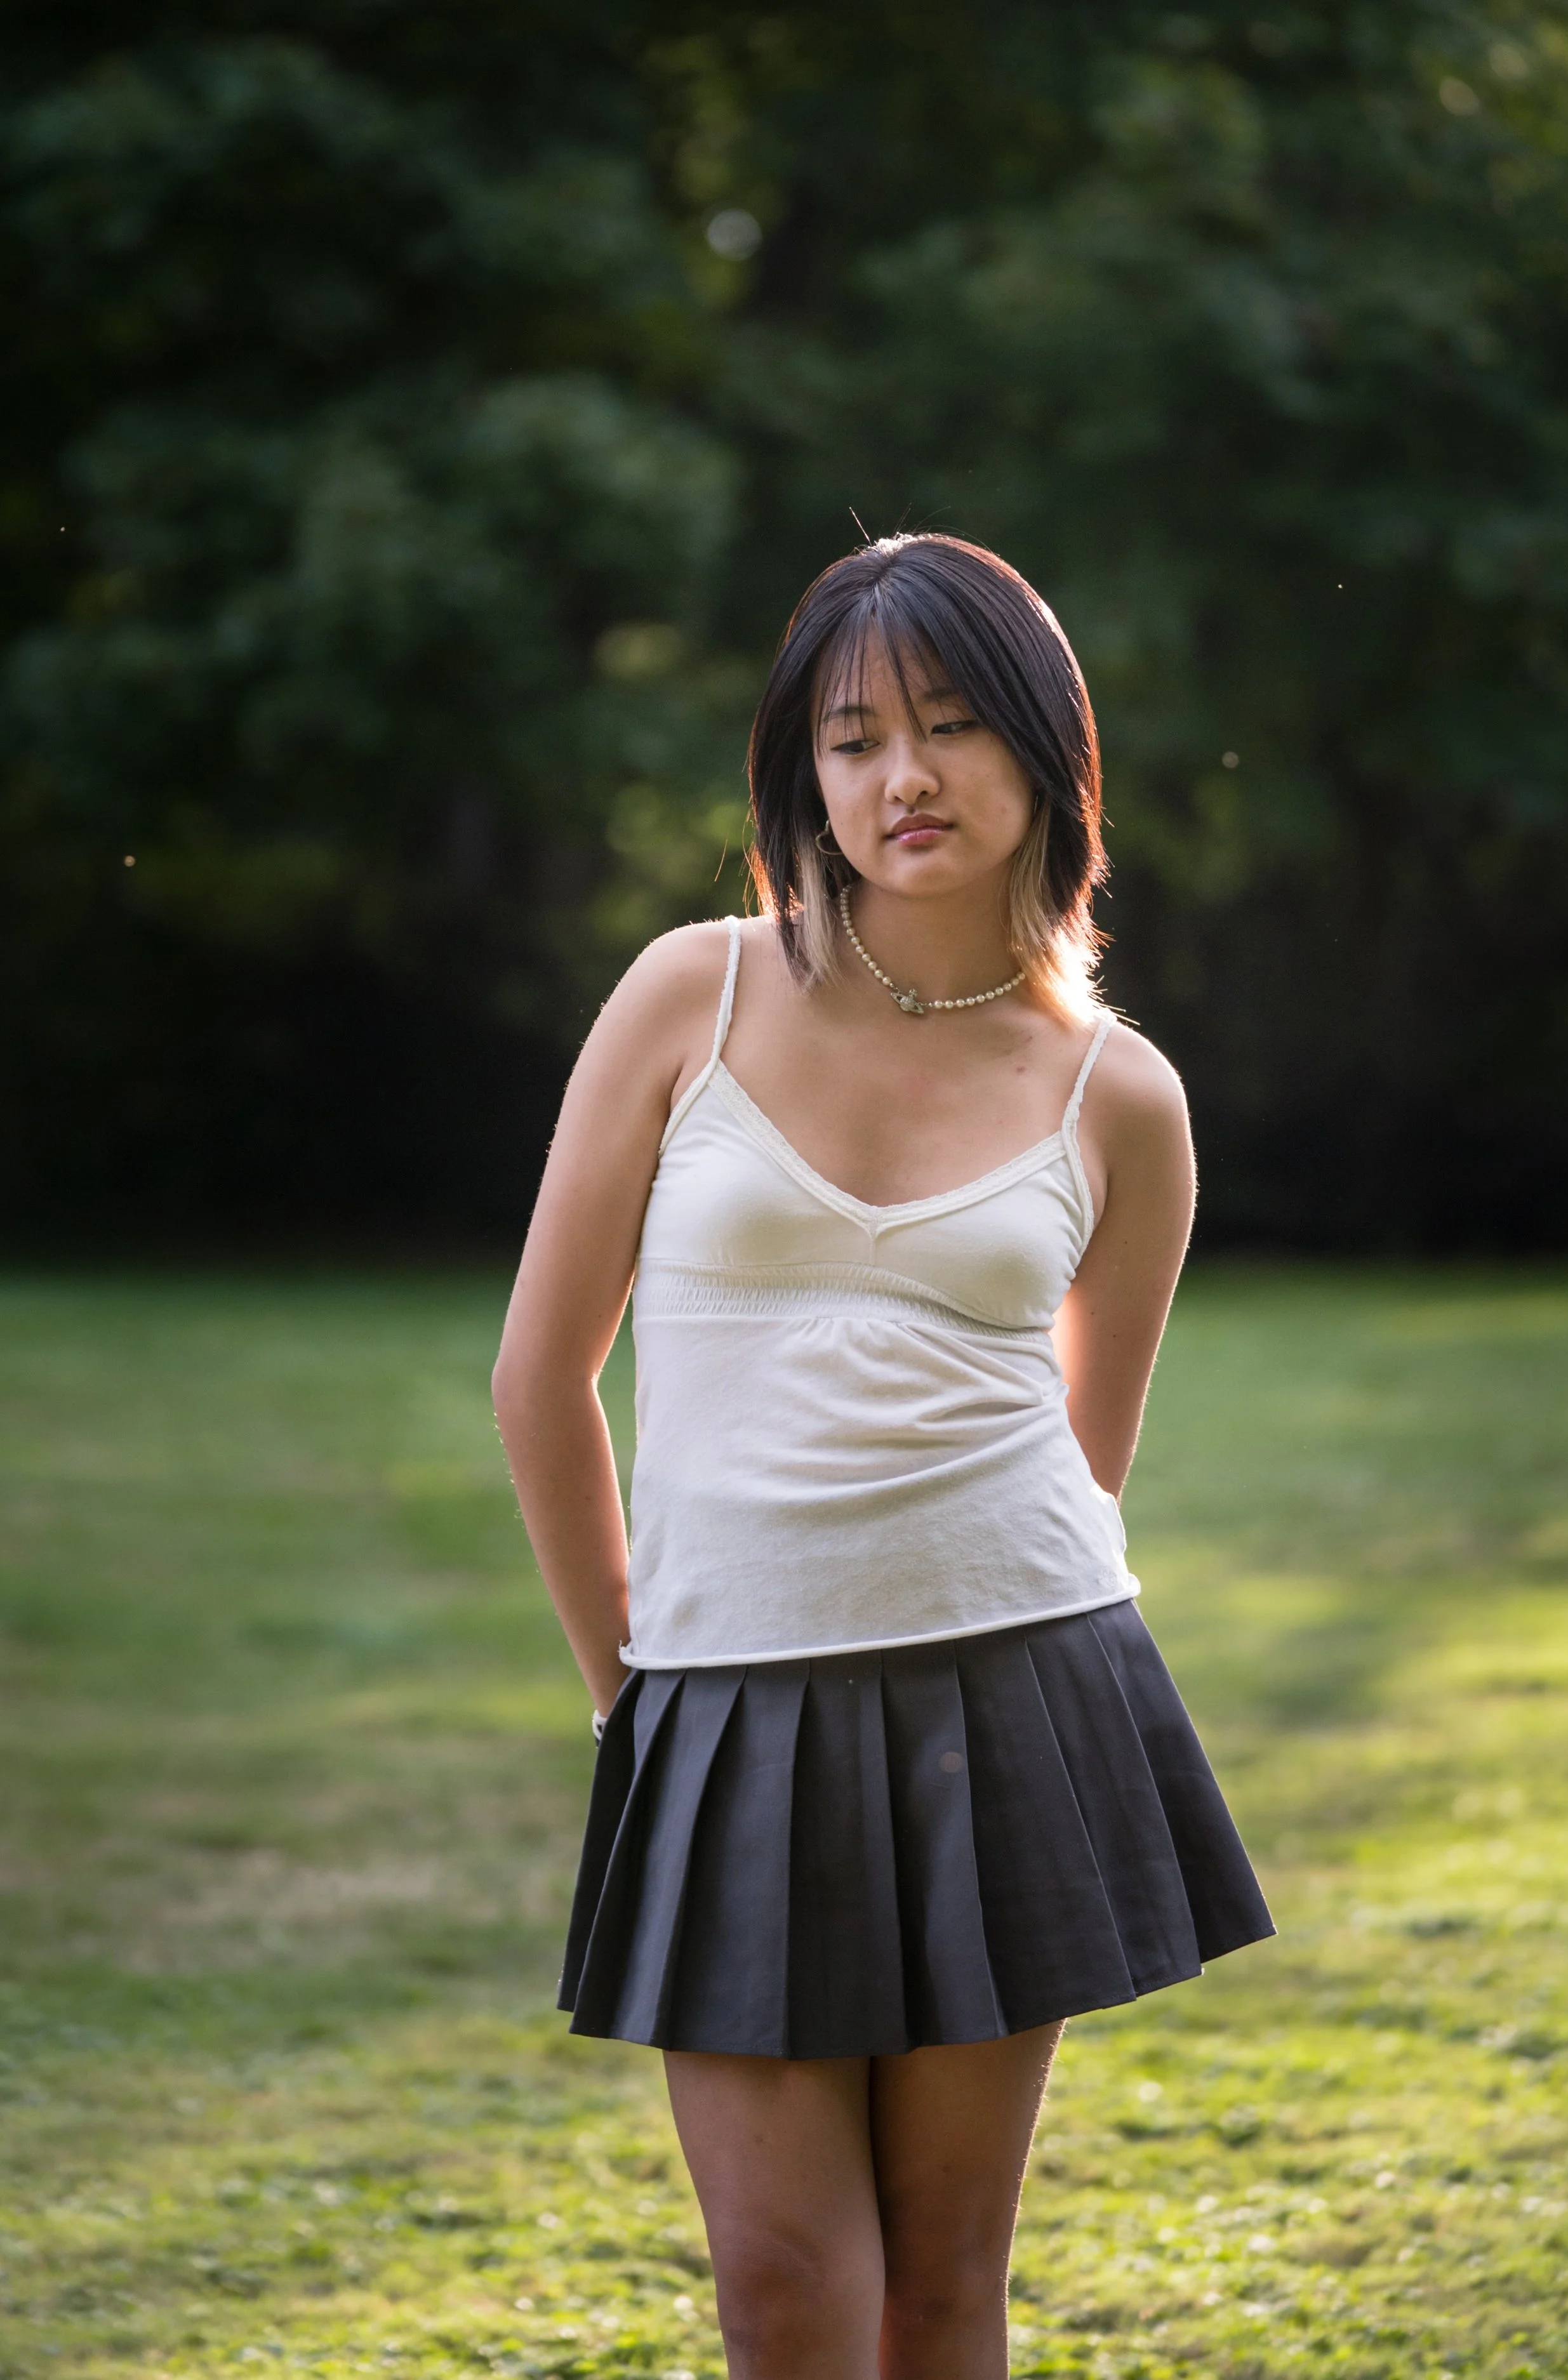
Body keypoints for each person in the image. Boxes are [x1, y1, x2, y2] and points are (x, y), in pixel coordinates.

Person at [493, 533, 1273, 2380]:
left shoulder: (1124, 1098)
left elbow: (1088, 1454)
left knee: (941, 2285)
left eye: (947, 725)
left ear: (1043, 749)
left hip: (1014, 1689)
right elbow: (540, 1380)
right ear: (804, 776)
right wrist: (633, 1694)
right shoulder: (688, 993)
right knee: (780, 2291)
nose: (902, 777)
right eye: (852, 741)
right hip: (719, 1698)